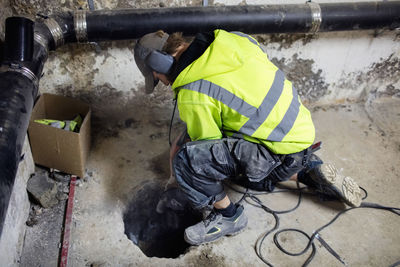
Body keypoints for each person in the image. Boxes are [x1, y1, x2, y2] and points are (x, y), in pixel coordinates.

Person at [133, 29, 362, 246]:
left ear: (159, 64)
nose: (163, 83)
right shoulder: (230, 39)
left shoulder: (192, 92)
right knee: (225, 148)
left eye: (157, 78)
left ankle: (229, 217)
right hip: (298, 132)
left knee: (189, 161)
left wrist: (179, 176)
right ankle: (308, 169)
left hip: (277, 150)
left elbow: (206, 147)